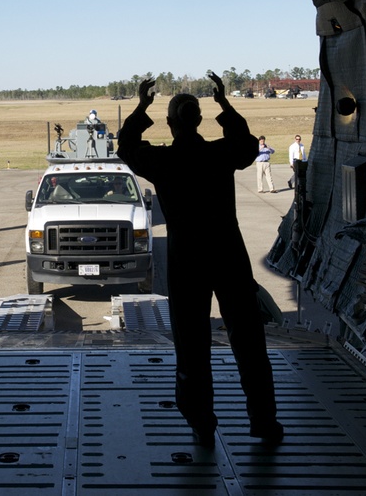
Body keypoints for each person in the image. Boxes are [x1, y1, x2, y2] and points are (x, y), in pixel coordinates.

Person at [116, 72, 283, 448]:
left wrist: (142, 107)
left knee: (192, 344)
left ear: (171, 124)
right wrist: (224, 104)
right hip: (228, 251)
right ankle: (263, 421)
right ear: (199, 120)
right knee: (249, 340)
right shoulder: (219, 155)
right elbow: (245, 145)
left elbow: (126, 147)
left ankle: (202, 424)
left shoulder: (163, 160)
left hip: (187, 257)